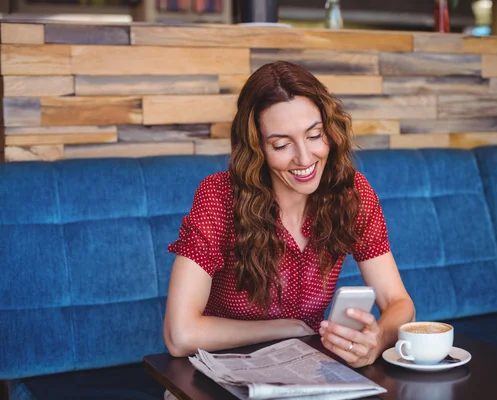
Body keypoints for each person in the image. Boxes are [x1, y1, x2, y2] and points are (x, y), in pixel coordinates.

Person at [163, 61, 415, 370]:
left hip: (307, 370)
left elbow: (399, 304)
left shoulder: (351, 194)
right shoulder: (219, 196)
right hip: (220, 375)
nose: (305, 158)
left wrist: (376, 340)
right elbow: (179, 335)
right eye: (281, 144)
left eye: (314, 135)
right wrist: (288, 328)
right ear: (257, 148)